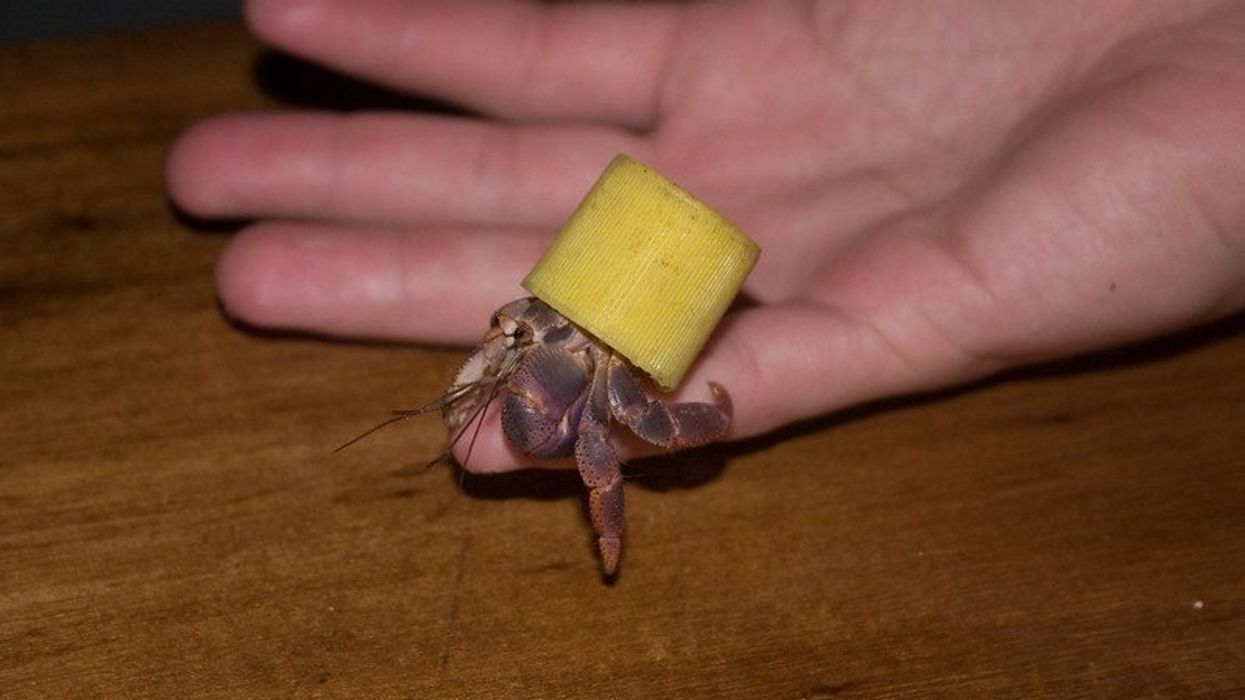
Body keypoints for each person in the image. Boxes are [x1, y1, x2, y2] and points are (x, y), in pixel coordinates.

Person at [167, 0, 1245, 471]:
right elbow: (517, 326)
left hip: (590, 340)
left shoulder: (586, 383)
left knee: (608, 437)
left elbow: (627, 419)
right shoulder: (538, 333)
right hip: (571, 323)